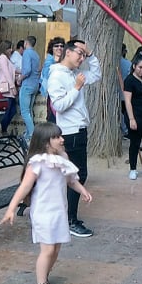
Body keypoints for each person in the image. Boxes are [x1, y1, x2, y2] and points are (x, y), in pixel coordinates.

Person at [0, 122, 92, 284]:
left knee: (56, 248)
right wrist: (11, 208)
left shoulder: (62, 157)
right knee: (48, 249)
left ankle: (45, 276)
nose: (61, 139)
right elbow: (24, 187)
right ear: (46, 142)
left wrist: (82, 190)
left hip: (59, 210)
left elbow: (70, 179)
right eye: (57, 137)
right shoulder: (37, 163)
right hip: (43, 212)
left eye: (60, 135)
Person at [47, 39, 101, 238]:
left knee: (72, 175)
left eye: (84, 54)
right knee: (77, 175)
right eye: (79, 53)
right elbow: (59, 106)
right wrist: (76, 88)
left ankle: (66, 216)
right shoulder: (57, 77)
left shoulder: (72, 74)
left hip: (79, 129)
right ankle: (70, 219)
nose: (82, 57)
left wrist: (92, 53)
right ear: (67, 52)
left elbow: (96, 74)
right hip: (70, 133)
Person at [19, 36, 41, 141]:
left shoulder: (26, 53)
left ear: (26, 43)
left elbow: (27, 70)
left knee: (24, 111)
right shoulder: (36, 54)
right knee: (29, 111)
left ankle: (32, 135)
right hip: (35, 84)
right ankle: (28, 134)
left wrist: (20, 78)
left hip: (27, 84)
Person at [0, 40, 19, 135]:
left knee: (12, 110)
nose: (11, 50)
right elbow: (6, 73)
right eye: (9, 48)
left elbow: (13, 71)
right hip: (6, 88)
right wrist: (13, 86)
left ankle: (4, 129)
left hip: (9, 88)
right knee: (9, 110)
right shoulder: (2, 58)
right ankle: (3, 130)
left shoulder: (7, 59)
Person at [40, 37, 66, 124]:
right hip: (53, 94)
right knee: (53, 119)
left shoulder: (64, 60)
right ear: (52, 48)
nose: (59, 48)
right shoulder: (49, 61)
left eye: (62, 46)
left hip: (63, 93)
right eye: (56, 46)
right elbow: (46, 76)